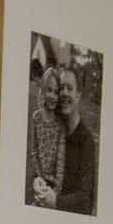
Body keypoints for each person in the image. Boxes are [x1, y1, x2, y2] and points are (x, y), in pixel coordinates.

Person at [37, 64, 97, 214]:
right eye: (61, 88)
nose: (64, 93)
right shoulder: (55, 130)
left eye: (69, 88)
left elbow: (86, 199)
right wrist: (37, 181)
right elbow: (43, 166)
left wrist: (56, 201)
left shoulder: (86, 141)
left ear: (78, 95)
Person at [28, 65, 66, 206]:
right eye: (49, 90)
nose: (52, 96)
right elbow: (34, 152)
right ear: (43, 90)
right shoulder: (36, 118)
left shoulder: (60, 125)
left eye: (56, 92)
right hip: (39, 179)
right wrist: (39, 177)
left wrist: (56, 191)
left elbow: (61, 160)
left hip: (54, 184)